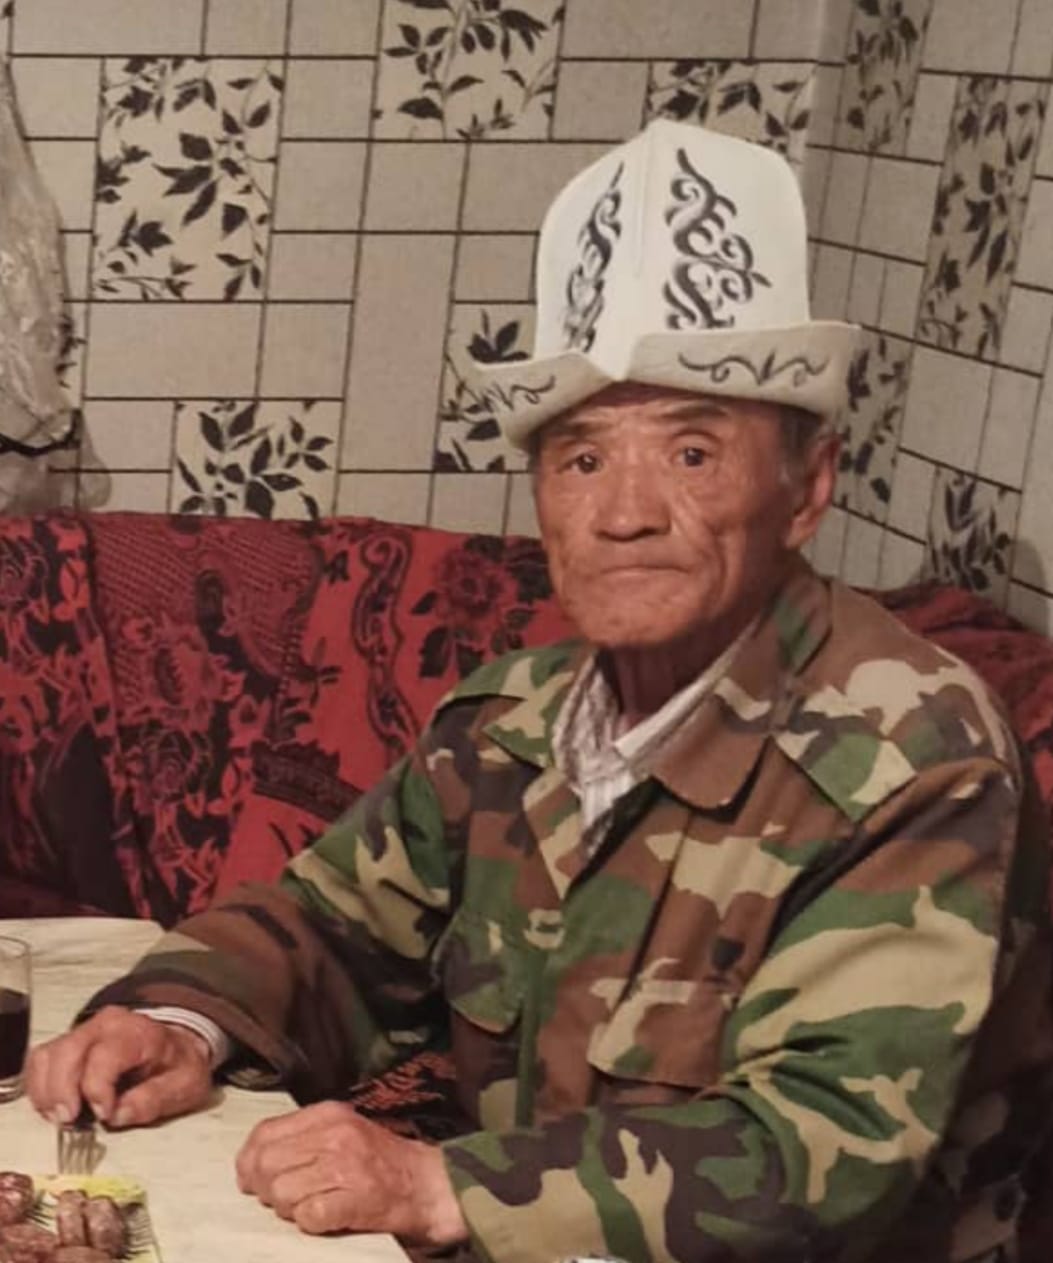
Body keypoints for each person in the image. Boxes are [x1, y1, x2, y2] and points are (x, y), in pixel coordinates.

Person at [26, 120, 1053, 1262]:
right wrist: (179, 1022)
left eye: (692, 453)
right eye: (582, 458)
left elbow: (821, 1152)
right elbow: (332, 924)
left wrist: (439, 1185)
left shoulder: (917, 753)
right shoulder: (511, 719)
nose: (625, 512)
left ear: (806, 489)